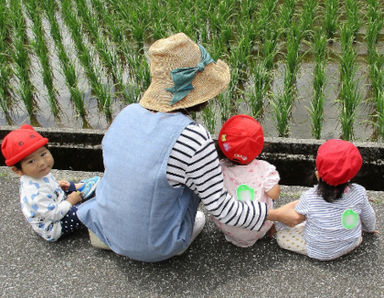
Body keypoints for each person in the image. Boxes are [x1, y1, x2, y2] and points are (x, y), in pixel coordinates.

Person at [77, 32, 303, 262]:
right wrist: (277, 214)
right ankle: (165, 242)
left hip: (106, 224)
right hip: (154, 247)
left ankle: (115, 234)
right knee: (199, 214)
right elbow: (222, 209)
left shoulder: (127, 113)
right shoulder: (193, 138)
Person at [275, 139, 377, 261]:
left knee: (281, 237)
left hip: (319, 252)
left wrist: (276, 225)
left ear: (318, 175)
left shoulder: (309, 197)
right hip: (353, 243)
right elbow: (369, 216)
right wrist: (370, 230)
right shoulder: (359, 192)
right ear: (352, 174)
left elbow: (293, 217)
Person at [1, 124, 100, 242]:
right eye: (31, 161)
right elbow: (54, 214)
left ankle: (78, 191)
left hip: (55, 200)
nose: (42, 163)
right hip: (54, 225)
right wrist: (70, 201)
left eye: (43, 154)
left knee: (68, 186)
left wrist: (58, 184)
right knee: (86, 211)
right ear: (17, 170)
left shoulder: (37, 173)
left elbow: (46, 184)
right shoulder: (35, 194)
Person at [211, 114, 281, 247]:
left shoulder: (218, 169)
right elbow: (274, 194)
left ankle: (234, 235)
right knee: (269, 197)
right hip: (259, 227)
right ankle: (268, 229)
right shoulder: (264, 169)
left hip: (228, 225)